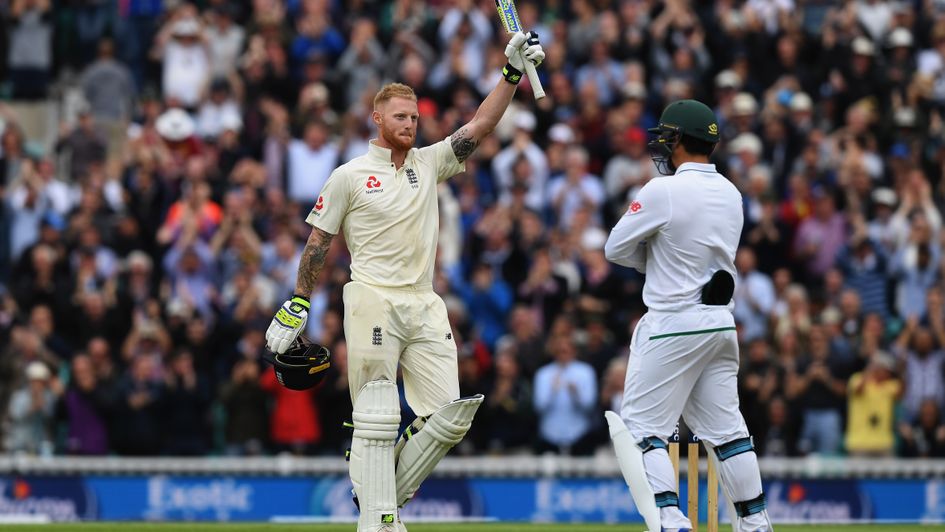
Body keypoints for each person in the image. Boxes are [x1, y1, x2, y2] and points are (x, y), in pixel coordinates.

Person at [265, 32, 544, 532]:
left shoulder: (428, 162)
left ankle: (377, 494)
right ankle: (380, 521)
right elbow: (318, 243)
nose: (410, 125)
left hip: (423, 301)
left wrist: (511, 73)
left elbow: (480, 125)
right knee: (377, 414)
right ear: (377, 119)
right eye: (400, 117)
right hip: (372, 298)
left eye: (414, 118)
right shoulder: (349, 175)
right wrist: (299, 302)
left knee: (451, 416)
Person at [602, 100, 772, 532]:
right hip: (720, 324)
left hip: (672, 322)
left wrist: (652, 261)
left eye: (666, 136)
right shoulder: (732, 193)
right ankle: (756, 522)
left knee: (641, 429)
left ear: (678, 138)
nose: (662, 144)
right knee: (729, 432)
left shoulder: (663, 190)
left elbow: (615, 248)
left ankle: (669, 518)